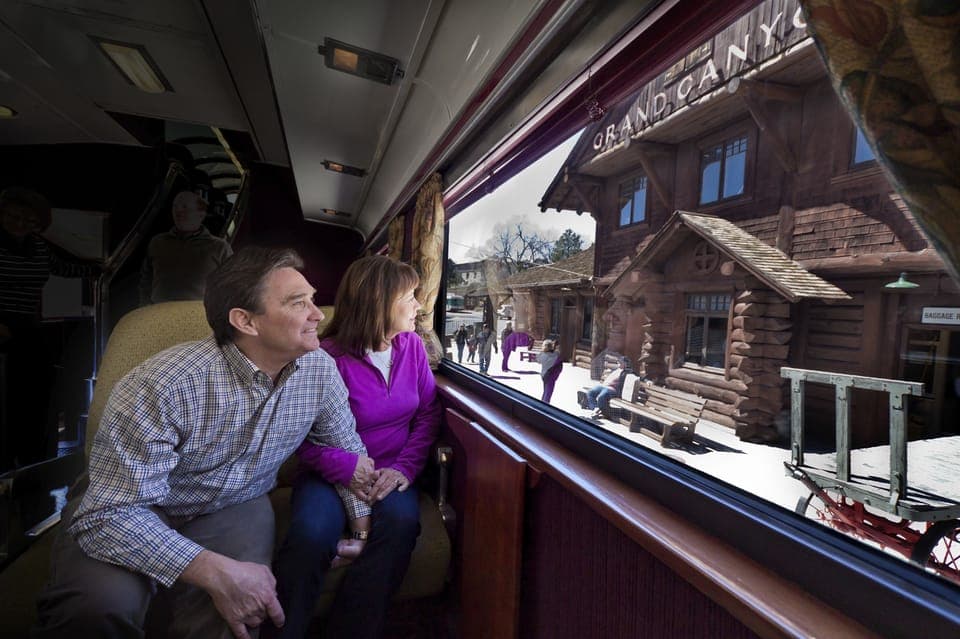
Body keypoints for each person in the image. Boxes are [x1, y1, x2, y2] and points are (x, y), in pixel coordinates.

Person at [33, 247, 377, 639]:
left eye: (312, 299)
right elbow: (108, 515)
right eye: (299, 303)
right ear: (245, 321)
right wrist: (213, 569)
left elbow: (346, 450)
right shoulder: (164, 384)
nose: (318, 314)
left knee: (236, 619)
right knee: (95, 611)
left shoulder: (320, 371)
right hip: (135, 505)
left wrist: (362, 528)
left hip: (237, 502)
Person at [273, 255, 441, 639]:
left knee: (400, 524)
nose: (418, 305)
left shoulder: (412, 347)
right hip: (329, 474)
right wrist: (346, 468)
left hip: (392, 468)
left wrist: (405, 468)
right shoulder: (323, 358)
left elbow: (429, 414)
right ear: (378, 302)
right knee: (311, 536)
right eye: (409, 296)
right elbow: (295, 437)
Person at [0, 187, 99, 470]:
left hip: (26, 325)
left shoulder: (38, 246)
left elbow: (61, 268)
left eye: (27, 219)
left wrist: (97, 271)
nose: (19, 223)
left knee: (39, 389)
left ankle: (32, 460)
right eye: (13, 216)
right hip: (2, 325)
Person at [139, 189, 233, 305]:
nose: (178, 211)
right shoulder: (157, 242)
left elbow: (231, 285)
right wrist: (145, 306)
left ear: (201, 213)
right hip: (159, 311)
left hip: (200, 314)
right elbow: (145, 281)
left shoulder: (220, 247)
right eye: (175, 206)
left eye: (184, 206)